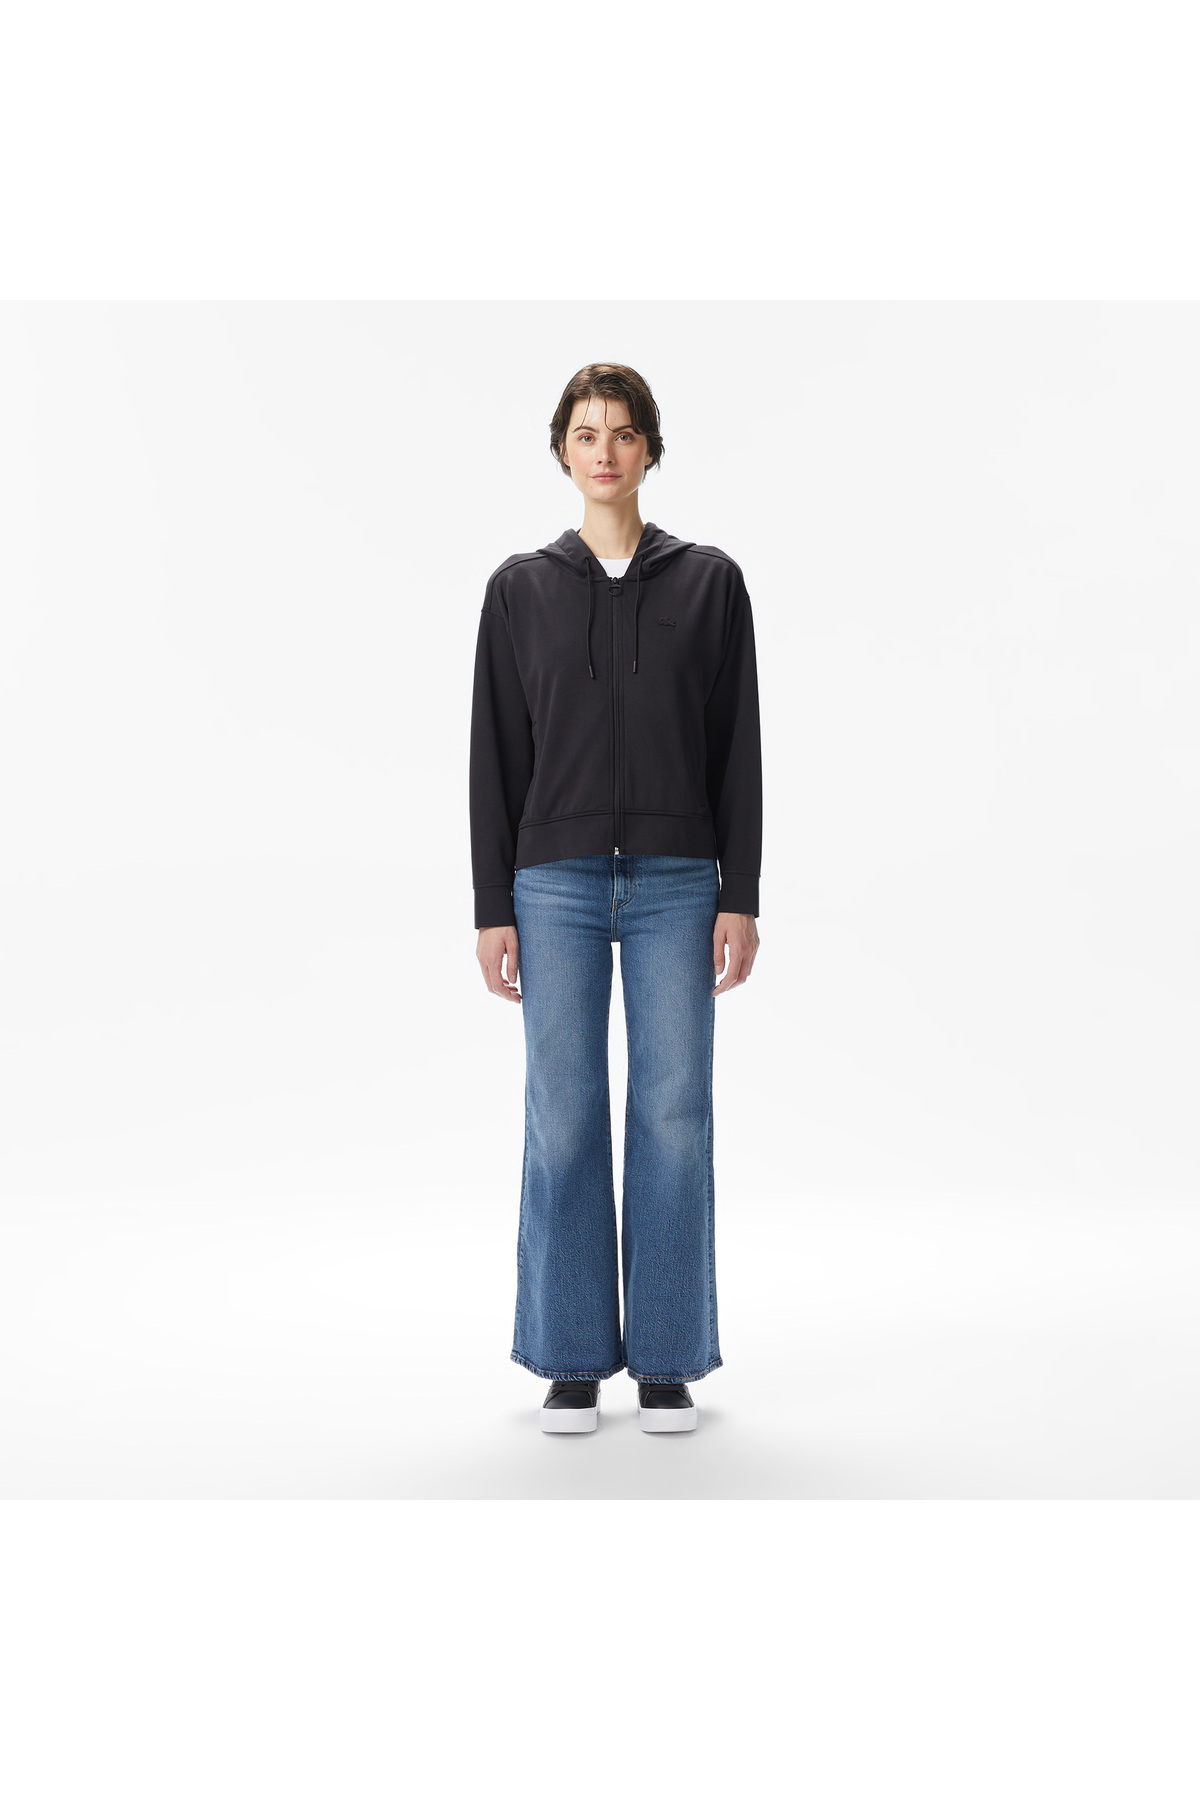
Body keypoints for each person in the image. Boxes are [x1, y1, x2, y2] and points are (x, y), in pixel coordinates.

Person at [469, 362, 762, 1435]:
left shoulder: (710, 583)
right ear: (562, 450)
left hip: (680, 882)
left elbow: (737, 748)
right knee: (564, 1116)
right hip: (551, 885)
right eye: (586, 434)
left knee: (674, 1115)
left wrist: (741, 891)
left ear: (650, 450)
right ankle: (571, 1358)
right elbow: (494, 754)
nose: (605, 452)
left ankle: (670, 1361)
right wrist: (491, 904)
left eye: (624, 433)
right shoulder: (519, 590)